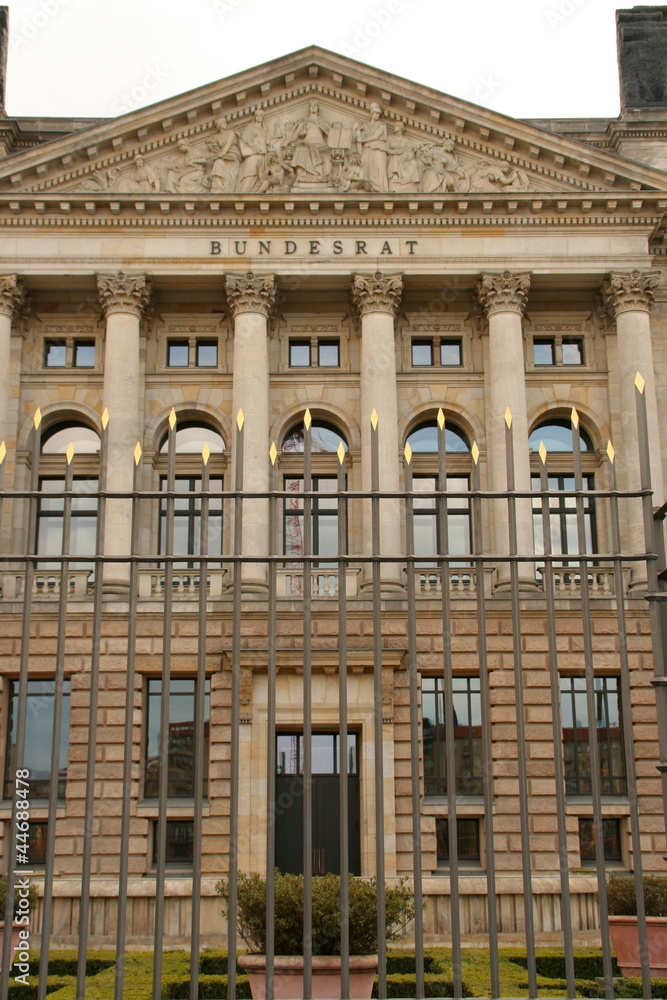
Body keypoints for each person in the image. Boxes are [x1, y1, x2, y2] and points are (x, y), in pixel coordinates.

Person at [287, 101, 332, 183]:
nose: (313, 107)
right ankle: (302, 176)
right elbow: (296, 134)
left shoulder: (322, 121)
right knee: (300, 148)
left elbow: (332, 134)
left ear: (318, 108)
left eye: (315, 105)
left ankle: (321, 175)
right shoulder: (304, 121)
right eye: (311, 105)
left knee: (326, 154)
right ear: (309, 108)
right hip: (307, 144)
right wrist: (287, 142)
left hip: (321, 145)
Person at [354, 103, 388, 192]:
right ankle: (366, 186)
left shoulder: (381, 124)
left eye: (378, 114)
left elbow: (375, 136)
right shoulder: (366, 125)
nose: (377, 115)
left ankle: (379, 188)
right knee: (365, 169)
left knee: (377, 170)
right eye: (376, 113)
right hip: (367, 150)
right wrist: (356, 129)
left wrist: (362, 140)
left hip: (377, 150)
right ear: (372, 113)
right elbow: (356, 137)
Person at [238, 110, 269, 193]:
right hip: (253, 155)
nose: (259, 117)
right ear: (255, 117)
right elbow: (245, 137)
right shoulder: (250, 127)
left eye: (261, 115)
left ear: (263, 117)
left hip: (262, 155)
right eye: (257, 115)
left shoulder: (264, 129)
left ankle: (257, 191)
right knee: (251, 173)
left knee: (260, 175)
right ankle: (244, 192)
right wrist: (254, 147)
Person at [207, 119, 241, 193]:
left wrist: (223, 153)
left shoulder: (231, 132)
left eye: (225, 122)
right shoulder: (216, 137)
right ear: (219, 125)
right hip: (222, 156)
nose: (225, 124)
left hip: (233, 155)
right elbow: (215, 149)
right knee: (218, 163)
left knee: (232, 177)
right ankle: (218, 188)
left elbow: (228, 144)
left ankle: (230, 191)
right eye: (223, 123)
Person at [386, 122, 420, 191]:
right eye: (395, 125)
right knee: (395, 158)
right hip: (392, 157)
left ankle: (409, 182)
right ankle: (395, 178)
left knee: (413, 162)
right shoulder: (390, 138)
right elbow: (386, 149)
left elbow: (411, 152)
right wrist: (400, 151)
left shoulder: (406, 140)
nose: (396, 126)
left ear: (402, 128)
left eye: (398, 125)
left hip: (404, 159)